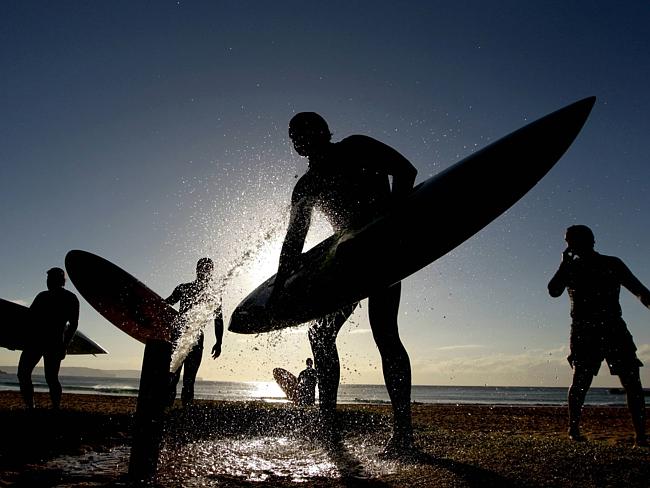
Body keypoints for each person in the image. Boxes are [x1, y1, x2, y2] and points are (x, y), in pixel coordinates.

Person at [271, 112, 418, 455]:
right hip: (347, 260)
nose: (299, 137)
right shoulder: (305, 186)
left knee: (384, 332)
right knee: (320, 334)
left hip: (382, 251)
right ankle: (327, 423)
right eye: (293, 134)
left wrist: (391, 222)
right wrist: (278, 289)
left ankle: (403, 433)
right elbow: (294, 241)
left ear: (323, 131)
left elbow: (406, 171)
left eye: (305, 129)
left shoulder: (357, 147)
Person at [548, 224, 650, 446]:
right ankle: (573, 429)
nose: (569, 245)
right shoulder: (570, 268)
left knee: (632, 381)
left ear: (590, 240)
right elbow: (554, 290)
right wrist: (563, 265)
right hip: (584, 331)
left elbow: (639, 290)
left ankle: (641, 436)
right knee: (581, 381)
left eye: (572, 240)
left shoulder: (612, 263)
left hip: (614, 327)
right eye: (567, 241)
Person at [17, 267, 80, 409]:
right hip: (50, 342)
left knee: (29, 375)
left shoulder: (46, 297)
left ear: (57, 280)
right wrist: (64, 344)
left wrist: (64, 345)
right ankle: (43, 408)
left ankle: (36, 407)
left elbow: (29, 320)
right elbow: (73, 325)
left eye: (49, 279)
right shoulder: (68, 298)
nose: (47, 282)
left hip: (41, 342)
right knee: (47, 378)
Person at [165, 257, 223, 407]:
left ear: (211, 272)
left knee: (189, 379)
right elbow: (166, 305)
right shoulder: (183, 288)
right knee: (172, 375)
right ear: (197, 270)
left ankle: (185, 409)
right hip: (178, 336)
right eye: (202, 268)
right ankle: (166, 407)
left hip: (196, 338)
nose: (205, 272)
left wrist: (219, 341)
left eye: (208, 269)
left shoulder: (214, 295)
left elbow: (218, 319)